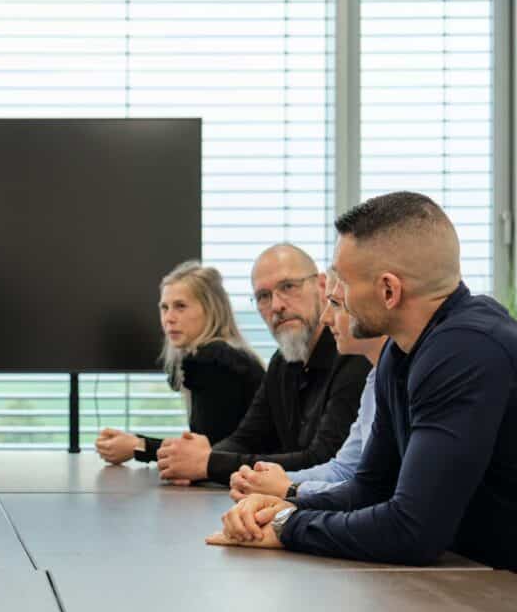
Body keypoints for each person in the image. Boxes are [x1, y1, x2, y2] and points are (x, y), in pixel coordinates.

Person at [208, 192, 517, 571]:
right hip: (473, 579)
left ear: (389, 290)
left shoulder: (466, 350)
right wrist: (285, 506)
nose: (332, 295)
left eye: (342, 281)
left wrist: (288, 526)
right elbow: (369, 489)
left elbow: (412, 531)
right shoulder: (398, 353)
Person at [155, 244, 371, 486]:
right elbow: (246, 438)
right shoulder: (282, 363)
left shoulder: (354, 356)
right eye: (263, 296)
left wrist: (208, 464)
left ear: (322, 286)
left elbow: (323, 461)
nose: (277, 305)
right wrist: (196, 463)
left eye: (288, 287)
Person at [228, 269, 385, 500]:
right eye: (263, 296)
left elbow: (378, 494)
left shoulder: (368, 368)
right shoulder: (376, 378)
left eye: (336, 303)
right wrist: (263, 481)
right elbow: (343, 469)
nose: (326, 317)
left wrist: (289, 491)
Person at [95, 261, 264, 465]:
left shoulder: (215, 361)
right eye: (164, 308)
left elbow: (208, 454)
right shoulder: (230, 355)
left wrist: (136, 446)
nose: (169, 318)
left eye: (180, 306)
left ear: (211, 310)